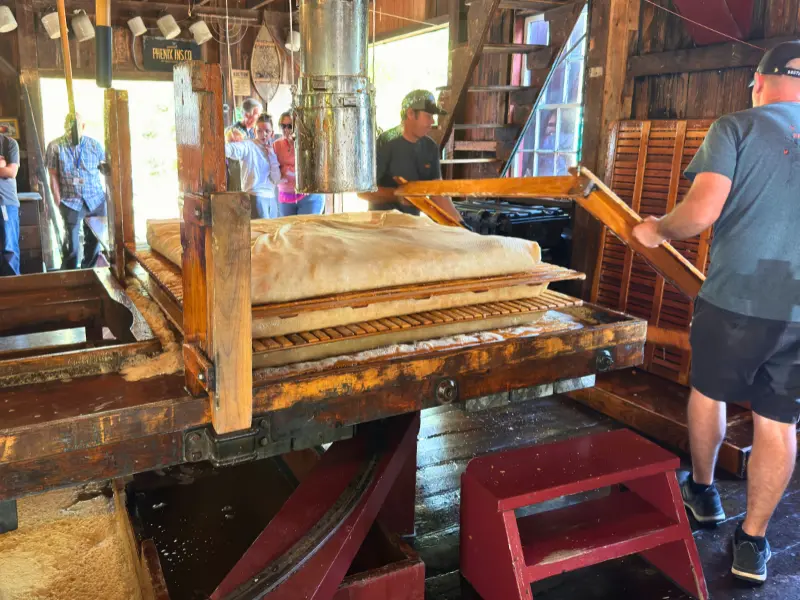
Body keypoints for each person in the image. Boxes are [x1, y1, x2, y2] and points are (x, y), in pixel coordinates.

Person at [632, 41, 800, 585]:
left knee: (709, 391)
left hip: (737, 302)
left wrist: (656, 229)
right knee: (779, 421)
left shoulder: (736, 128)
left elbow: (700, 212)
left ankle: (703, 494)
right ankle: (752, 542)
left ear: (760, 80)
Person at [359, 89, 463, 224]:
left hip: (412, 227)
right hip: (382, 227)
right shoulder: (384, 142)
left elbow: (437, 194)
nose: (432, 122)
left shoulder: (430, 147)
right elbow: (363, 192)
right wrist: (398, 195)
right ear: (410, 114)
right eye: (428, 116)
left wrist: (459, 222)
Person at [46, 113, 106, 270]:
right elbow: (52, 175)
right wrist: (58, 200)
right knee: (71, 246)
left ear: (83, 127)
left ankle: (89, 272)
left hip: (95, 200)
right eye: (68, 127)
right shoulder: (54, 146)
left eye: (76, 127)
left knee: (94, 242)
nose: (71, 131)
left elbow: (106, 169)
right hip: (70, 201)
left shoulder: (95, 145)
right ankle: (70, 276)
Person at [225, 113, 281, 219]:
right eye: (259, 131)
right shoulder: (248, 146)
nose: (263, 134)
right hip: (255, 196)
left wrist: (272, 157)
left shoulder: (274, 150)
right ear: (254, 131)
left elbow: (276, 179)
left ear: (272, 133)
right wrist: (223, 148)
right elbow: (234, 149)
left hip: (272, 197)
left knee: (272, 232)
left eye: (267, 131)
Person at [273, 111, 324, 216]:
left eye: (290, 126)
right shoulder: (276, 145)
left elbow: (317, 166)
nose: (286, 130)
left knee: (307, 230)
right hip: (286, 195)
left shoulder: (309, 143)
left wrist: (298, 146)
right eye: (283, 126)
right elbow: (273, 168)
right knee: (288, 230)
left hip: (308, 196)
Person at [0, 131, 20, 276]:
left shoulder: (9, 144)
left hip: (5, 203)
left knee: (9, 248)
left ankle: (14, 289)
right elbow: (5, 170)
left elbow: (11, 172)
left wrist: (6, 169)